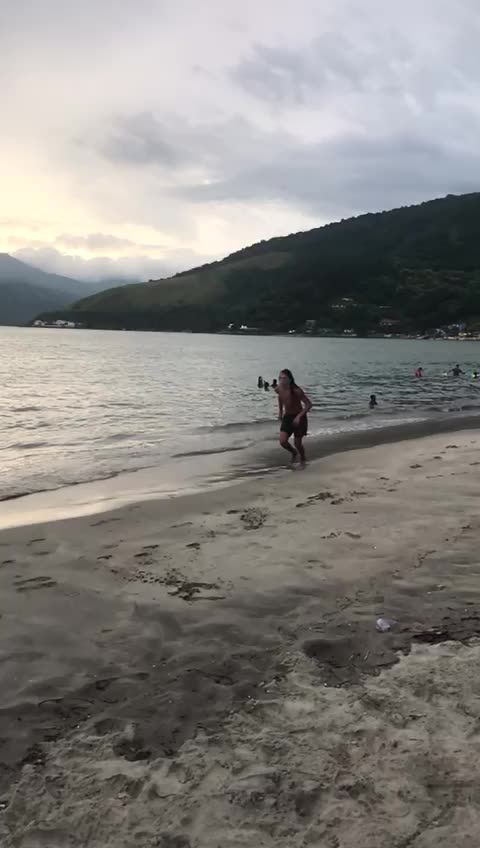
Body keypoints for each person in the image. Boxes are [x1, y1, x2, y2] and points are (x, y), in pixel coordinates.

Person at [275, 368, 312, 467]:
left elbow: (309, 404)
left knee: (297, 443)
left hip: (299, 417)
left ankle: (303, 458)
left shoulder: (296, 390)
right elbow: (280, 398)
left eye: (284, 378)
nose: (281, 380)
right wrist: (280, 412)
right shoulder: (278, 388)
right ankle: (294, 452)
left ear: (290, 379)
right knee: (283, 441)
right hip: (287, 417)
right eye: (280, 378)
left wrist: (299, 417)